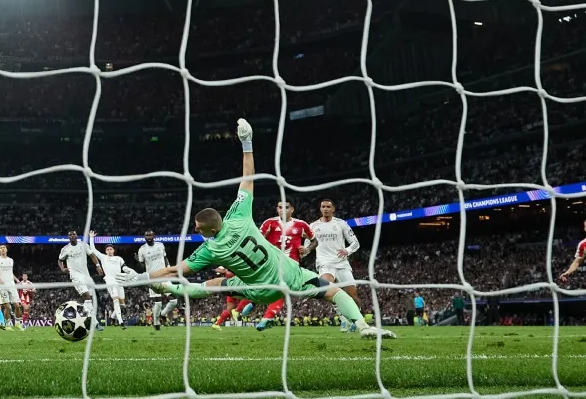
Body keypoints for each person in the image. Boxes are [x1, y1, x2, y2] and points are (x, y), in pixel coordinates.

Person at [118, 118, 394, 339]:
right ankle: (363, 326)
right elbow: (248, 177)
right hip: (288, 273)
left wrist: (141, 278)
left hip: (259, 288)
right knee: (337, 292)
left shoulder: (210, 249)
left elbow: (173, 268)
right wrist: (246, 142)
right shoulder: (239, 214)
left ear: (207, 230)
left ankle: (173, 291)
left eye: (197, 227)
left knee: (207, 286)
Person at [255, 201, 313, 331]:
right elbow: (257, 239)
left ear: (292, 209)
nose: (283, 210)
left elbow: (314, 241)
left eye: (286, 207)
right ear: (277, 209)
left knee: (282, 288)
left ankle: (267, 317)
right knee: (272, 288)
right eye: (280, 207)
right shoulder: (269, 223)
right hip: (272, 262)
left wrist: (308, 249)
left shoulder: (301, 225)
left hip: (292, 264)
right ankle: (252, 304)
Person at [307, 199, 362, 332]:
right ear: (320, 209)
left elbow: (355, 243)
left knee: (353, 295)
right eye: (323, 206)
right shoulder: (313, 226)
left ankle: (357, 319)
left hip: (342, 264)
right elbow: (306, 245)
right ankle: (342, 317)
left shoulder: (341, 224)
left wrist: (347, 250)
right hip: (324, 264)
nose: (325, 209)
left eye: (328, 206)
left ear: (333, 209)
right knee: (327, 291)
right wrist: (304, 251)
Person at [137, 230, 177, 330]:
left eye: (150, 235)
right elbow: (142, 266)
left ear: (154, 236)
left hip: (164, 275)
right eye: (147, 235)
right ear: (144, 237)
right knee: (158, 302)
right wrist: (138, 262)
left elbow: (165, 257)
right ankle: (156, 323)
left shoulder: (160, 245)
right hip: (152, 278)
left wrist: (169, 268)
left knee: (174, 301)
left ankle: (163, 314)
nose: (149, 236)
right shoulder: (142, 249)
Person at [59, 229, 101, 325]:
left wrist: (98, 265)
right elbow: (60, 260)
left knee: (89, 299)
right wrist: (62, 268)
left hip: (86, 275)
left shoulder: (83, 245)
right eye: (70, 235)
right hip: (75, 276)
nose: (72, 236)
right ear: (68, 237)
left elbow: (92, 255)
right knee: (87, 296)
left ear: (77, 236)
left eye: (74, 234)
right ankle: (94, 322)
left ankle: (83, 317)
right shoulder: (65, 249)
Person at [89, 235, 128, 329]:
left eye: (111, 249)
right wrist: (91, 238)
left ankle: (113, 316)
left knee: (122, 304)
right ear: (105, 251)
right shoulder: (103, 258)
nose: (109, 251)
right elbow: (93, 249)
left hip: (120, 281)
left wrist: (129, 272)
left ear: (113, 250)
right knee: (116, 300)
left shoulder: (119, 258)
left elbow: (124, 267)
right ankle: (121, 322)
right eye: (107, 249)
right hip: (110, 281)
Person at [0, 245, 23, 330]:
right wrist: (0, 280)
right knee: (7, 306)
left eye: (4, 247)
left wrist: (17, 280)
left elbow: (11, 273)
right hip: (2, 286)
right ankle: (8, 325)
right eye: (1, 248)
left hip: (11, 285)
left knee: (17, 305)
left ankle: (17, 323)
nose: (2, 249)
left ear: (6, 250)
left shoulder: (11, 260)